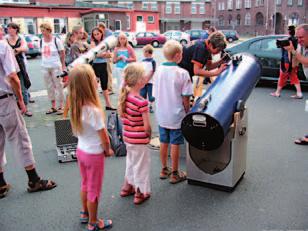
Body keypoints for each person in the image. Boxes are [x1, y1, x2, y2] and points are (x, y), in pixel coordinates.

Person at [0, 25, 56, 199]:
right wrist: (20, 99)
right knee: (20, 139)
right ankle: (34, 180)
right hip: (4, 100)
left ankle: (0, 183)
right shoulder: (2, 46)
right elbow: (13, 77)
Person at [68, 64, 113, 230]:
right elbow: (104, 137)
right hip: (94, 154)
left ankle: (84, 212)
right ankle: (93, 222)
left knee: (85, 184)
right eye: (94, 78)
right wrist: (108, 150)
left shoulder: (75, 106)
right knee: (94, 189)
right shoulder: (93, 110)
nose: (97, 80)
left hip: (81, 151)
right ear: (89, 84)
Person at [153, 40, 193, 184]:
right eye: (182, 53)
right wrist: (188, 111)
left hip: (162, 113)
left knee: (163, 141)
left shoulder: (158, 70)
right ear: (177, 55)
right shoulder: (182, 73)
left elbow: (154, 94)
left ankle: (164, 169)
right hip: (176, 115)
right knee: (175, 143)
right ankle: (175, 173)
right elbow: (186, 98)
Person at [118, 63, 152, 205]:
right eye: (144, 76)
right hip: (139, 140)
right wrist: (149, 136)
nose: (146, 78)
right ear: (139, 81)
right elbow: (147, 126)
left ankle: (127, 187)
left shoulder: (125, 97)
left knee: (131, 162)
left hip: (128, 138)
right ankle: (139, 192)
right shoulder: (142, 102)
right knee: (141, 166)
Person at [284, 24, 308, 145]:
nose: (299, 40)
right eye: (297, 37)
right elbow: (294, 65)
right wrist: (290, 52)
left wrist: (293, 51)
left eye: (301, 37)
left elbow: (306, 62)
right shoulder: (302, 48)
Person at [6, 22, 32, 117]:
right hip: (9, 67)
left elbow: (25, 47)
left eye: (11, 28)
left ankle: (26, 108)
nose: (9, 30)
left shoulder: (20, 38)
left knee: (22, 87)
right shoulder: (5, 39)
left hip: (20, 66)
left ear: (15, 29)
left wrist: (17, 50)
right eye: (8, 28)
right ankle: (17, 108)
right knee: (12, 88)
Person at [39, 22, 66, 115]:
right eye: (41, 30)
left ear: (48, 30)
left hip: (56, 66)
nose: (42, 32)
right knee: (49, 87)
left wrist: (63, 66)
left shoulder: (56, 40)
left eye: (43, 30)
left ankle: (61, 106)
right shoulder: (41, 41)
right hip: (45, 67)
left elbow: (62, 53)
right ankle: (53, 106)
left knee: (59, 86)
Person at [270, 25, 303, 99]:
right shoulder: (297, 40)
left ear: (289, 31)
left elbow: (285, 48)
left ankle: (277, 92)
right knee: (294, 76)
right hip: (295, 61)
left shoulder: (287, 40)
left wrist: (281, 44)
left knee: (282, 76)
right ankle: (299, 93)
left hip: (287, 61)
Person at [90, 27, 116, 110]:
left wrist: (103, 54)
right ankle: (94, 105)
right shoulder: (93, 42)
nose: (96, 36)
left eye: (98, 34)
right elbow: (95, 54)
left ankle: (108, 105)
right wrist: (103, 54)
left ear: (101, 33)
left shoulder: (104, 42)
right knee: (94, 87)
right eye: (95, 34)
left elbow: (110, 55)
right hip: (96, 66)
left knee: (105, 87)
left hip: (103, 65)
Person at [97, 22, 114, 95]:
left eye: (100, 29)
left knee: (108, 72)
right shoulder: (102, 33)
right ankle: (104, 88)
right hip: (101, 55)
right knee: (102, 73)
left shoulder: (109, 33)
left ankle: (110, 89)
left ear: (103, 28)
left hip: (107, 55)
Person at [139, 44, 156, 113]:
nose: (143, 53)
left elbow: (152, 71)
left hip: (150, 82)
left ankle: (150, 106)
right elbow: (141, 70)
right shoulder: (143, 61)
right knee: (142, 94)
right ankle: (144, 106)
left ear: (147, 52)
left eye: (144, 52)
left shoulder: (152, 61)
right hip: (143, 81)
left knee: (151, 96)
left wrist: (147, 79)